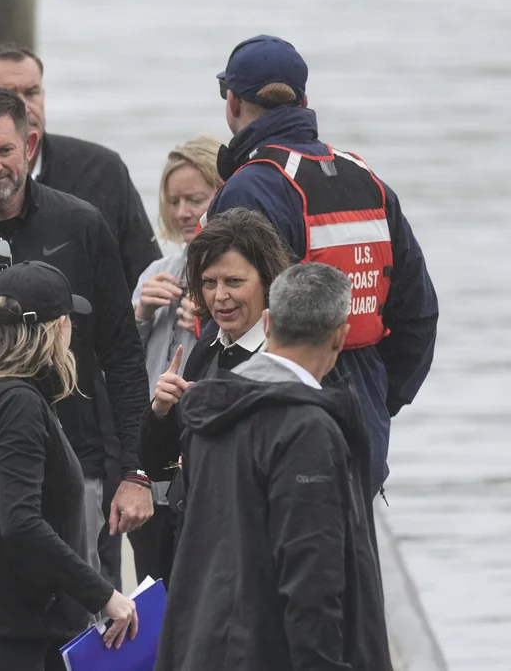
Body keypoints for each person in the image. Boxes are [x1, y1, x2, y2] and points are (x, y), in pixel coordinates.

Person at [0, 86, 152, 570]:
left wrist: (135, 472)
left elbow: (121, 355)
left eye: (4, 150)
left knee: (85, 621)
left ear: (30, 147)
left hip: (78, 464)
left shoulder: (82, 225)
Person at [206, 34, 438, 491]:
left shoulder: (249, 188)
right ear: (305, 101)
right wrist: (377, 399)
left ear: (232, 103)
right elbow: (418, 314)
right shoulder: (368, 181)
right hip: (362, 411)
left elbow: (233, 320)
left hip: (276, 423)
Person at [154, 263, 392, 671]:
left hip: (202, 645)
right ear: (340, 336)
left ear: (267, 322)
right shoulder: (308, 429)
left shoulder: (209, 413)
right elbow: (312, 573)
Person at [0, 261, 140, 670]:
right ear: (58, 327)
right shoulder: (18, 404)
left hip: (8, 620)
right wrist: (104, 594)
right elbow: (20, 521)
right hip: (12, 628)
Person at [139, 208, 292, 581]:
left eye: (234, 281)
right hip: (195, 547)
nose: (219, 297)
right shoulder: (206, 348)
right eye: (208, 282)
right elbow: (159, 466)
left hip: (256, 559)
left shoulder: (286, 360)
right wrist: (161, 411)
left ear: (268, 281)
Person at [0, 43, 160, 290]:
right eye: (6, 97)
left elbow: (146, 273)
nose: (24, 108)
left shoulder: (102, 169)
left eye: (31, 93)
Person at [127, 134, 222, 582]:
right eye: (175, 200)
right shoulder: (156, 272)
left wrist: (209, 324)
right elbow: (122, 365)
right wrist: (140, 314)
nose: (184, 212)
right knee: (151, 587)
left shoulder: (235, 275)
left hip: (201, 466)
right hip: (150, 463)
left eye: (196, 199)